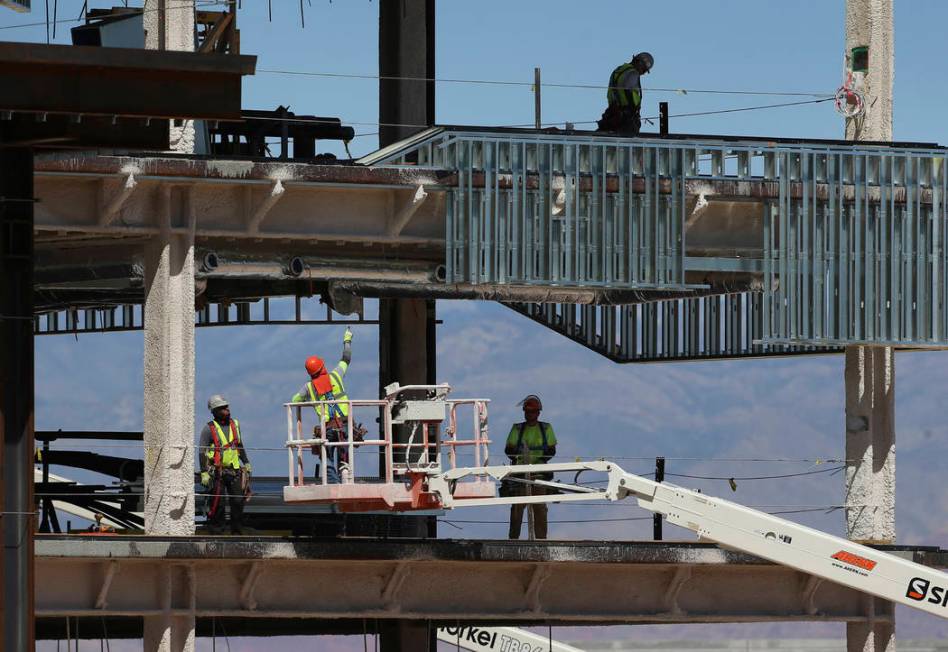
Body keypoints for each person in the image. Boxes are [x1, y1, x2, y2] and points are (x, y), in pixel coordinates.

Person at [291, 328, 353, 483]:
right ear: (322, 367)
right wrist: (347, 339)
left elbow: (294, 400)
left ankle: (334, 483)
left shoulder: (309, 387)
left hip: (328, 427)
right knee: (344, 454)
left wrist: (309, 401)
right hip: (345, 423)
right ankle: (346, 476)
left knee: (327, 457)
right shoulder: (336, 375)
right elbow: (346, 358)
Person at [505, 394, 557, 540]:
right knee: (517, 510)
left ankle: (541, 541)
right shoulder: (517, 429)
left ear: (538, 413)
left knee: (540, 509)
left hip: (539, 475)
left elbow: (551, 450)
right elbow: (509, 450)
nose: (530, 414)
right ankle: (513, 541)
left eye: (533, 412)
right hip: (520, 475)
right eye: (528, 412)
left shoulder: (546, 428)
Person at [199, 394, 252, 534]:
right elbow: (201, 451)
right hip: (217, 472)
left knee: (238, 502)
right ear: (215, 411)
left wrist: (246, 462)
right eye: (223, 408)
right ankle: (217, 533)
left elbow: (239, 445)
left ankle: (237, 531)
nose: (227, 409)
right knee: (218, 504)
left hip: (234, 471)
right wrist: (204, 472)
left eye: (227, 406)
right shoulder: (208, 429)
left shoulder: (235, 424)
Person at [597, 52, 654, 136]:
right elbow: (628, 89)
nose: (643, 73)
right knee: (629, 140)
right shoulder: (633, 73)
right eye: (644, 70)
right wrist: (632, 109)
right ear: (639, 63)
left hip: (612, 112)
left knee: (606, 136)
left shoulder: (619, 70)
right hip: (625, 115)